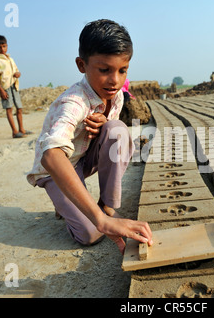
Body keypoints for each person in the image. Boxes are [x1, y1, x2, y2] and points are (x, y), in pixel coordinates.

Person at [26, 19, 153, 254]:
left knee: (117, 130)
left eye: (122, 70)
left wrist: (104, 125)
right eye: (104, 70)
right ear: (81, 65)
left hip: (83, 158)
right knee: (92, 234)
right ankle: (74, 206)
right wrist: (100, 222)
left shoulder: (116, 96)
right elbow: (50, 156)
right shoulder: (73, 103)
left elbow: (112, 136)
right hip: (58, 169)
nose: (115, 80)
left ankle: (106, 207)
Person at [0, 35, 32, 138]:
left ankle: (21, 129)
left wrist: (18, 74)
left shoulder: (10, 58)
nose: (2, 49)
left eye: (4, 46)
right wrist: (1, 91)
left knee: (19, 108)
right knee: (9, 109)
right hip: (5, 87)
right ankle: (14, 132)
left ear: (7, 46)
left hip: (14, 85)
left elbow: (16, 71)